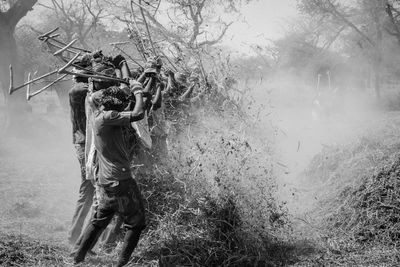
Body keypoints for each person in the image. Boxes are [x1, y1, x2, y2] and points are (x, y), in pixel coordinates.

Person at [73, 80, 146, 267]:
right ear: (115, 105)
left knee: (99, 220)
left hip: (105, 180)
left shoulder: (98, 112)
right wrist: (138, 90)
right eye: (121, 104)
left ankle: (77, 259)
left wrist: (129, 82)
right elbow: (138, 113)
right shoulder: (109, 117)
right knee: (136, 223)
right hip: (120, 180)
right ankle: (121, 264)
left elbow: (114, 99)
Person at [68, 54, 95, 245]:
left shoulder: (82, 88)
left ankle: (81, 235)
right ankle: (75, 235)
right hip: (84, 143)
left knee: (92, 187)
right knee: (88, 187)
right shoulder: (79, 90)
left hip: (86, 142)